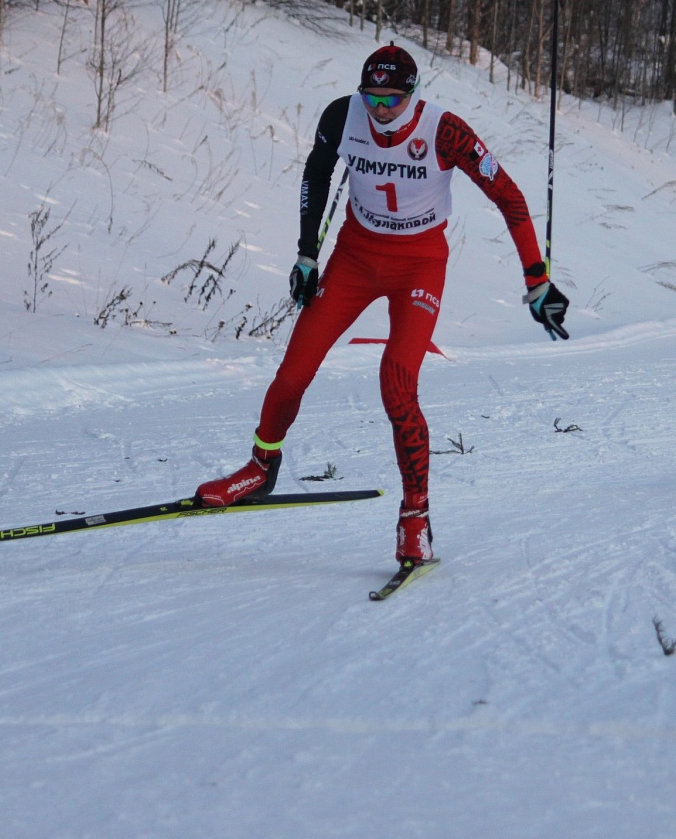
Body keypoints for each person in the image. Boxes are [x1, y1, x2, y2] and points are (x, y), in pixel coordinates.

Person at [195, 45, 569, 565]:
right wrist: (307, 254)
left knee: (396, 383)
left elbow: (509, 196)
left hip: (419, 264)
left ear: (413, 94)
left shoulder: (444, 131)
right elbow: (317, 174)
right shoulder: (342, 115)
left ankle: (415, 517)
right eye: (371, 98)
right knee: (292, 373)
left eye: (392, 99)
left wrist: (537, 280)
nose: (380, 109)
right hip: (355, 257)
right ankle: (261, 468)